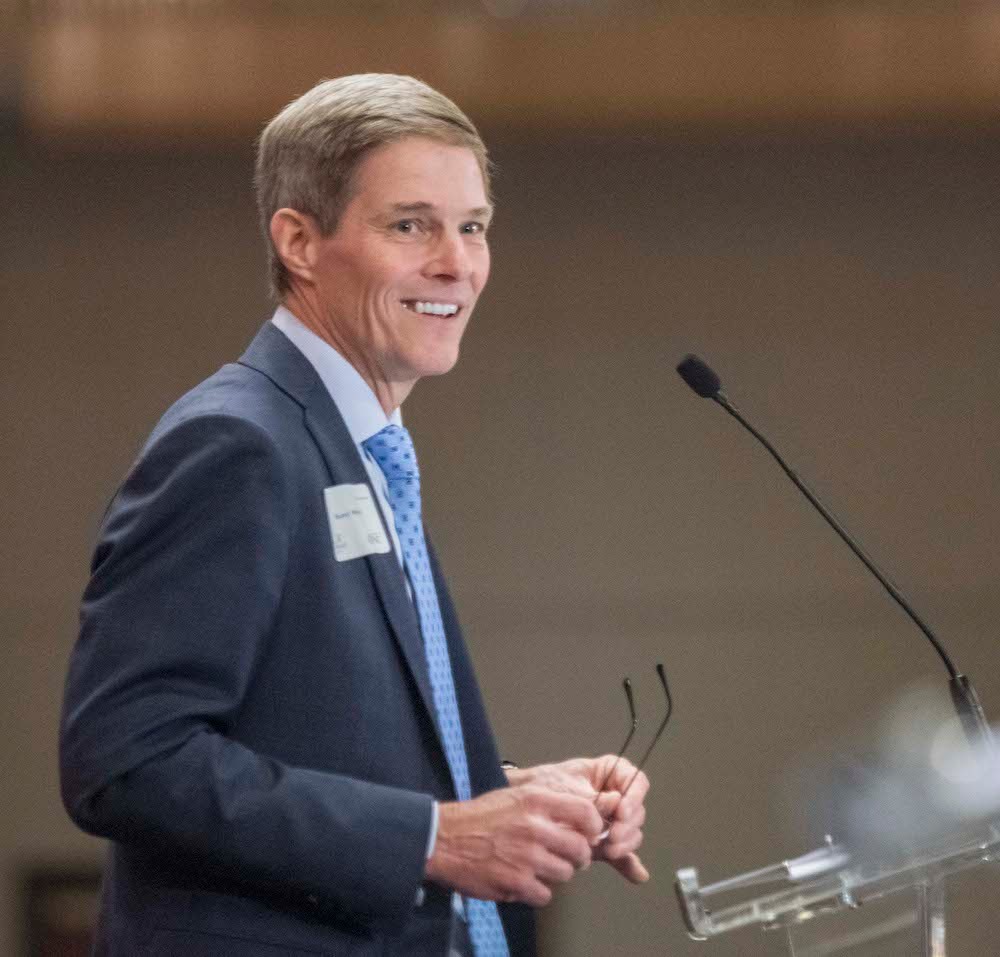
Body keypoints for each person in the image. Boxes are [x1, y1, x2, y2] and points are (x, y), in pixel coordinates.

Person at [60, 73, 650, 957]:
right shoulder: (239, 445)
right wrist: (436, 837)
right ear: (299, 240)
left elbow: (321, 734)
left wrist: (512, 796)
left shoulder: (354, 443)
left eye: (473, 226)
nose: (457, 262)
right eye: (411, 224)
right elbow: (127, 759)